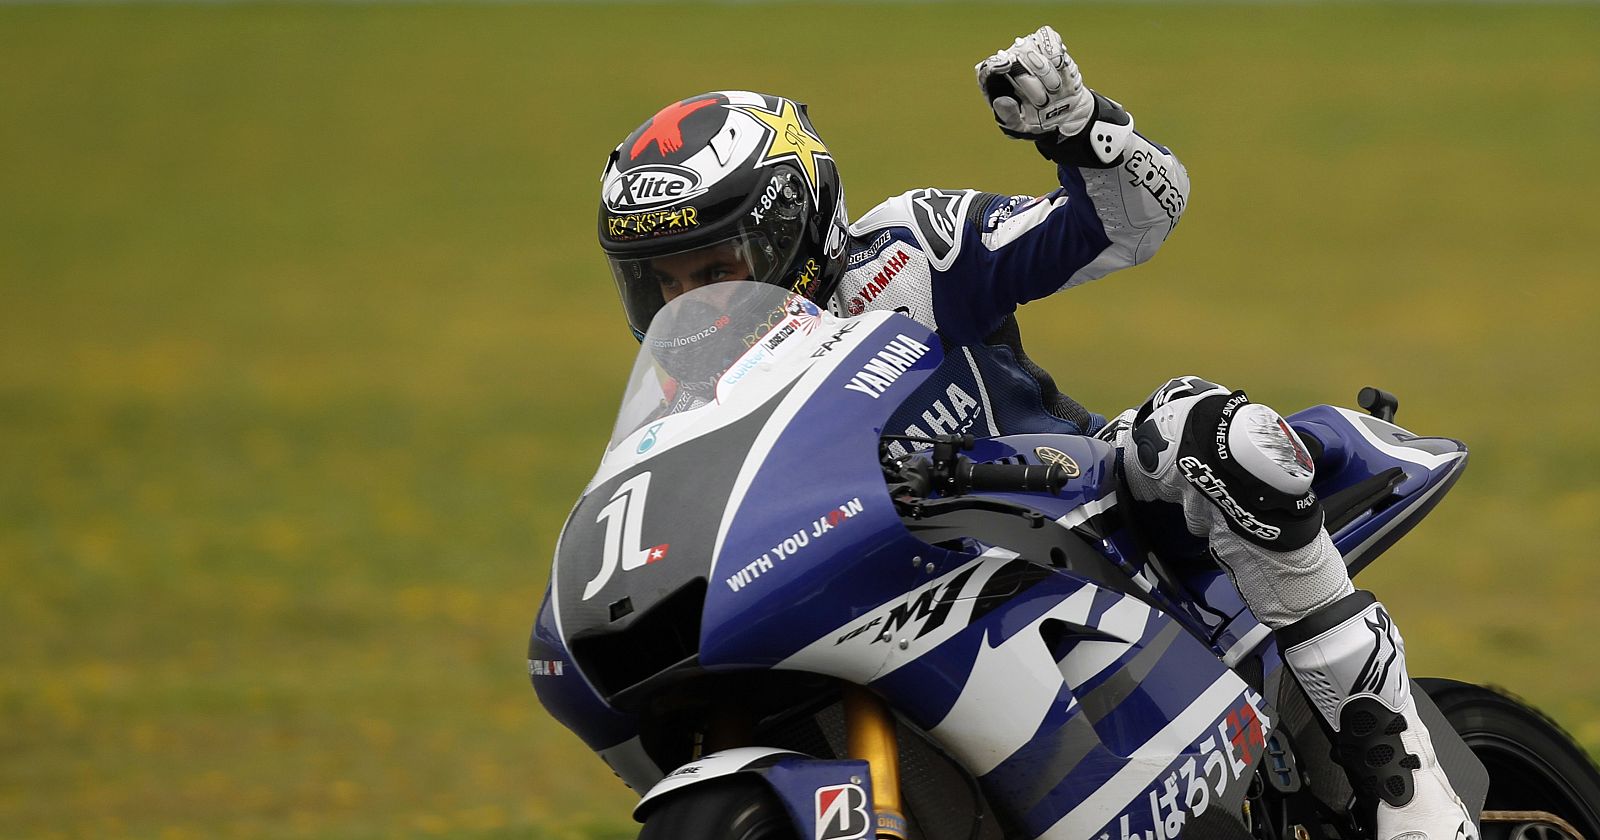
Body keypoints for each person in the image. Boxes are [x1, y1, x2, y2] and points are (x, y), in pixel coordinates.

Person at [594, 26, 1475, 840]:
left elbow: (1130, 225)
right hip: (894, 595)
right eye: (661, 283)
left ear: (797, 231)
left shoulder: (907, 253)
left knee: (1213, 433)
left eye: (717, 269)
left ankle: (1402, 777)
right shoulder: (683, 407)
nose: (692, 303)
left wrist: (1080, 129)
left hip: (1085, 517)